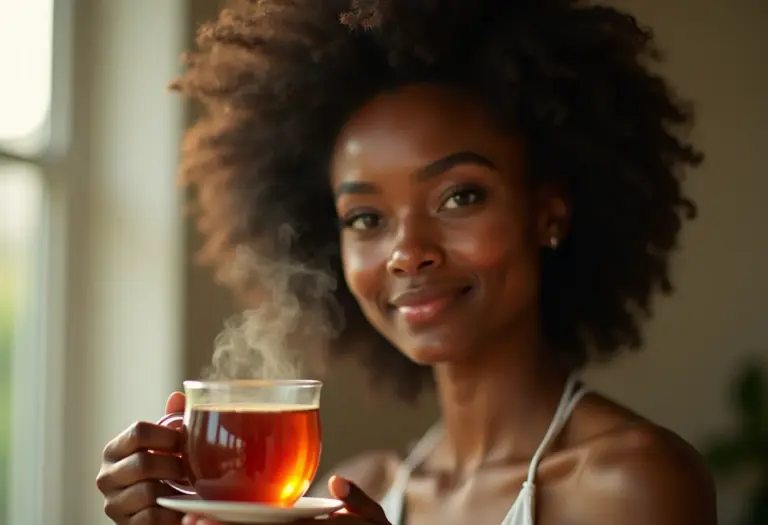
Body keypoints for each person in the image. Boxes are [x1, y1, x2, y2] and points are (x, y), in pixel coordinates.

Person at [96, 0, 719, 524]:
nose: (406, 252)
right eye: (366, 218)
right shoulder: (355, 486)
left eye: (459, 196)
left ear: (547, 213)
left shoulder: (633, 484)